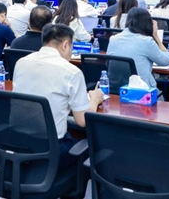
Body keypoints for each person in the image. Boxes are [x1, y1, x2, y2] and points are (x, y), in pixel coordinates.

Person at [13, 23, 104, 170]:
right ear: (65, 45)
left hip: (18, 142)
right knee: (94, 151)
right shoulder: (71, 72)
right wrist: (95, 100)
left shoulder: (21, 62)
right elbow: (82, 121)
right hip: (52, 148)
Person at [107, 7, 169, 87]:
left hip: (116, 88)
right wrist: (156, 36)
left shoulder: (113, 39)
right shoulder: (147, 41)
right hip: (141, 90)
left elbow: (108, 64)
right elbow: (166, 61)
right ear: (147, 23)